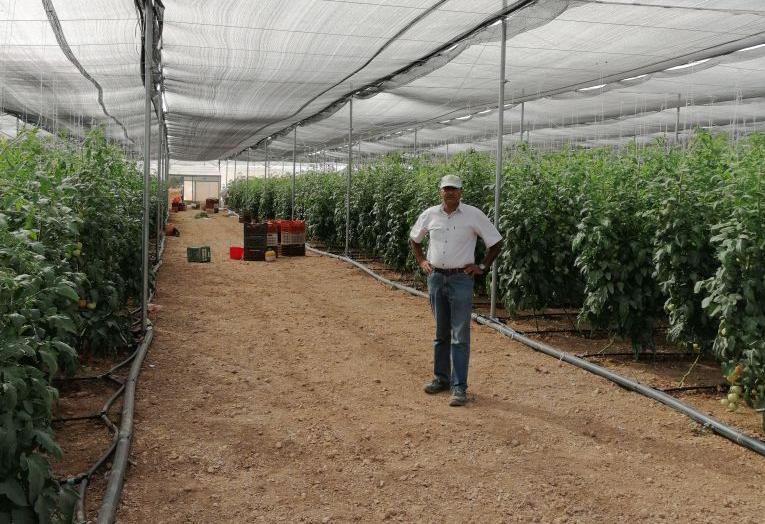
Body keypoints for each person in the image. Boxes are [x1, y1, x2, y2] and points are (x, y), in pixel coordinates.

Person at [409, 174, 503, 407]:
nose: (450, 192)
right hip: (436, 278)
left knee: (460, 334)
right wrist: (422, 261)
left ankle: (459, 387)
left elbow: (496, 242)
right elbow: (415, 239)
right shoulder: (430, 214)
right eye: (446, 189)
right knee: (441, 332)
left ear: (461, 192)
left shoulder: (473, 215)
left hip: (461, 279)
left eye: (454, 189)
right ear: (440, 191)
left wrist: (482, 266)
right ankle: (441, 379)